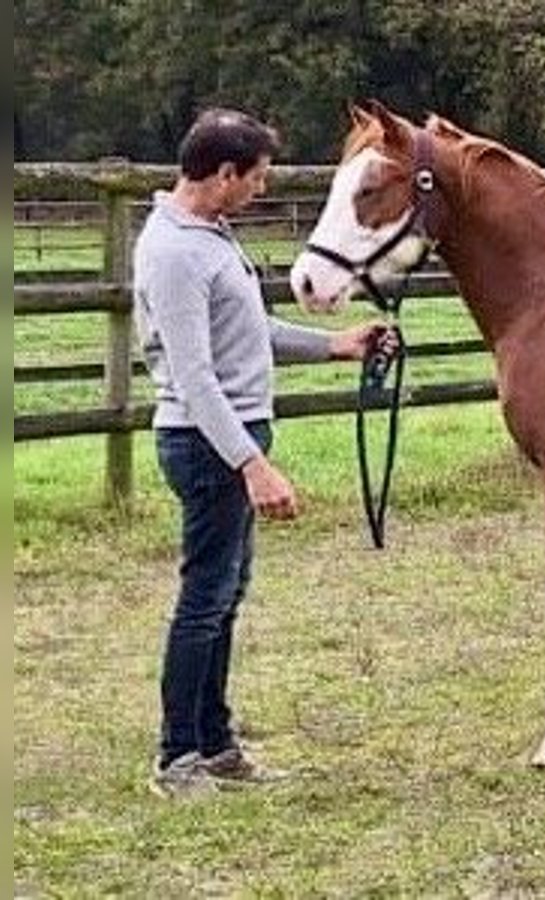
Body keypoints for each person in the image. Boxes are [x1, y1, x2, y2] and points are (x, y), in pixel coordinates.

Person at [133, 108, 381, 797]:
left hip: (228, 438)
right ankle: (177, 756)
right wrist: (251, 463)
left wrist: (333, 344)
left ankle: (214, 744)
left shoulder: (209, 235)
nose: (262, 189)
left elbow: (247, 328)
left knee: (223, 594)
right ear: (223, 174)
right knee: (204, 599)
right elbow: (194, 376)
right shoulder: (176, 252)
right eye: (258, 177)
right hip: (207, 444)